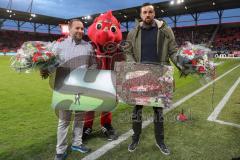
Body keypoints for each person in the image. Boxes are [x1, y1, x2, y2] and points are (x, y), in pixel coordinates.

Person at [126, 3, 181, 155]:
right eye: (145, 12)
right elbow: (128, 51)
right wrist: (133, 65)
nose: (148, 15)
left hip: (160, 74)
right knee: (137, 110)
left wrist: (183, 63)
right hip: (140, 75)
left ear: (154, 13)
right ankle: (135, 138)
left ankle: (160, 141)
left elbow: (173, 51)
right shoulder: (133, 32)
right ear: (141, 15)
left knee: (158, 111)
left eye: (150, 12)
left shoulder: (165, 30)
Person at [41, 19, 93, 160]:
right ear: (69, 29)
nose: (80, 31)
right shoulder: (59, 46)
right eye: (77, 28)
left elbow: (92, 65)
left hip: (81, 86)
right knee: (64, 120)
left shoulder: (88, 46)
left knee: (80, 117)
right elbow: (52, 65)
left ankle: (77, 143)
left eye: (82, 29)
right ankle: (60, 150)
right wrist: (45, 70)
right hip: (64, 86)